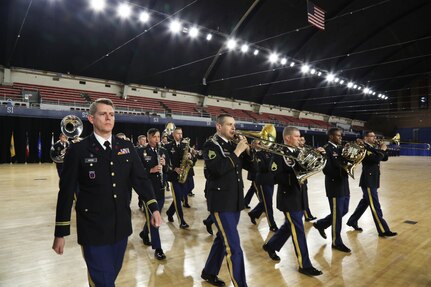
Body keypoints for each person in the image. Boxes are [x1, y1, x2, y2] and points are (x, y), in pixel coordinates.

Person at [52, 98, 162, 286]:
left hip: (120, 227)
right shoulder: (78, 150)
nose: (108, 118)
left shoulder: (126, 148)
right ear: (91, 118)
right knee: (104, 281)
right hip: (93, 229)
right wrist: (60, 232)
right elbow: (66, 192)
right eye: (103, 114)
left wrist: (154, 208)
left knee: (109, 275)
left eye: (111, 114)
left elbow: (141, 180)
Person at [262, 126, 323, 277]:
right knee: (298, 231)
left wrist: (316, 156)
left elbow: (305, 167)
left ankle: (271, 245)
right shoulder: (279, 153)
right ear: (288, 138)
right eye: (297, 136)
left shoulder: (299, 151)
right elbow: (274, 176)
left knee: (289, 227)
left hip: (300, 195)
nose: (300, 139)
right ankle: (305, 265)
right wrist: (296, 176)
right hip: (288, 197)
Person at [201, 113, 251, 287]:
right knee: (234, 247)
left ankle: (209, 271)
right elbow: (216, 170)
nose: (233, 128)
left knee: (222, 240)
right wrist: (237, 151)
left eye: (234, 124)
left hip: (235, 200)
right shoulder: (211, 145)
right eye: (229, 124)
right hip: (221, 202)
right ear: (219, 126)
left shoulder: (231, 144)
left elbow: (253, 168)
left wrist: (251, 151)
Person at [347, 131, 397, 237]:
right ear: (366, 138)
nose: (375, 138)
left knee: (365, 203)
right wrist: (382, 150)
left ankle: (352, 220)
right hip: (368, 181)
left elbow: (385, 158)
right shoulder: (364, 147)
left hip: (373, 179)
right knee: (375, 206)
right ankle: (383, 230)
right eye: (372, 136)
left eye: (375, 136)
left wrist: (382, 149)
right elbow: (375, 158)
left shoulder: (372, 147)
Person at [313, 128, 351, 253]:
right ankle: (336, 242)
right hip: (334, 186)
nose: (340, 137)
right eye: (338, 135)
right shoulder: (326, 149)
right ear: (330, 136)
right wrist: (342, 169)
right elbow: (326, 170)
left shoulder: (341, 148)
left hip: (344, 184)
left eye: (341, 135)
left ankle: (321, 224)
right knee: (337, 215)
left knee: (343, 210)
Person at [137, 128, 168, 260]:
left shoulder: (163, 151)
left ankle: (144, 233)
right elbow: (137, 172)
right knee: (155, 220)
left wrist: (165, 165)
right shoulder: (140, 151)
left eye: (158, 136)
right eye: (154, 137)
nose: (157, 139)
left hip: (160, 188)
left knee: (155, 215)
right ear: (148, 138)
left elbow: (167, 170)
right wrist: (151, 169)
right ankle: (158, 248)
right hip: (147, 190)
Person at [165, 127, 194, 229]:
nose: (180, 136)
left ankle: (169, 212)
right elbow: (166, 163)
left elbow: (191, 161)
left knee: (181, 198)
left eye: (181, 134)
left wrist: (190, 156)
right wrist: (174, 169)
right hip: (174, 177)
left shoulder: (185, 145)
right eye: (178, 134)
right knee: (177, 199)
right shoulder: (167, 146)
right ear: (173, 134)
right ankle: (181, 221)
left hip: (184, 176)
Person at [247, 143, 278, 232]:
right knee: (268, 204)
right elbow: (263, 168)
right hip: (262, 181)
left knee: (266, 202)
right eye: (260, 143)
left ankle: (253, 213)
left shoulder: (269, 153)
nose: (263, 145)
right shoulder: (257, 154)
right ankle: (272, 225)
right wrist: (273, 158)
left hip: (271, 181)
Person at [299, 137, 317, 221]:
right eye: (300, 140)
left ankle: (307, 214)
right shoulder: (297, 150)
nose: (302, 141)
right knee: (301, 198)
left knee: (304, 197)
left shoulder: (305, 150)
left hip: (304, 178)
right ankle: (306, 215)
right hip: (298, 178)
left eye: (303, 140)